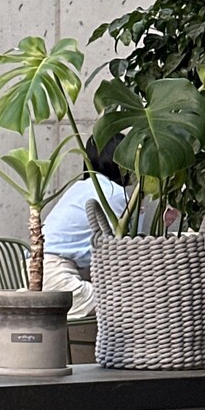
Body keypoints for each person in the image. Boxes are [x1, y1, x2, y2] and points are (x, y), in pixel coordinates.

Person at [42, 135, 129, 318]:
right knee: (133, 300)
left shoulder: (78, 188)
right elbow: (129, 251)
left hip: (37, 274)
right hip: (57, 281)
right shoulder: (115, 194)